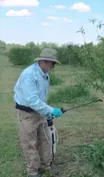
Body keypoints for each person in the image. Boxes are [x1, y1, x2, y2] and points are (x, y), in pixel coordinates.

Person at [13, 48, 63, 177]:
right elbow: (32, 100)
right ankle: (33, 171)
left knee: (45, 139)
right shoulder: (29, 75)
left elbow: (41, 98)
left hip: (40, 113)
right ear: (45, 62)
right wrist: (52, 110)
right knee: (30, 142)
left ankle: (46, 165)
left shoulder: (45, 75)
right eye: (53, 64)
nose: (53, 67)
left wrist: (47, 112)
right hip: (27, 114)